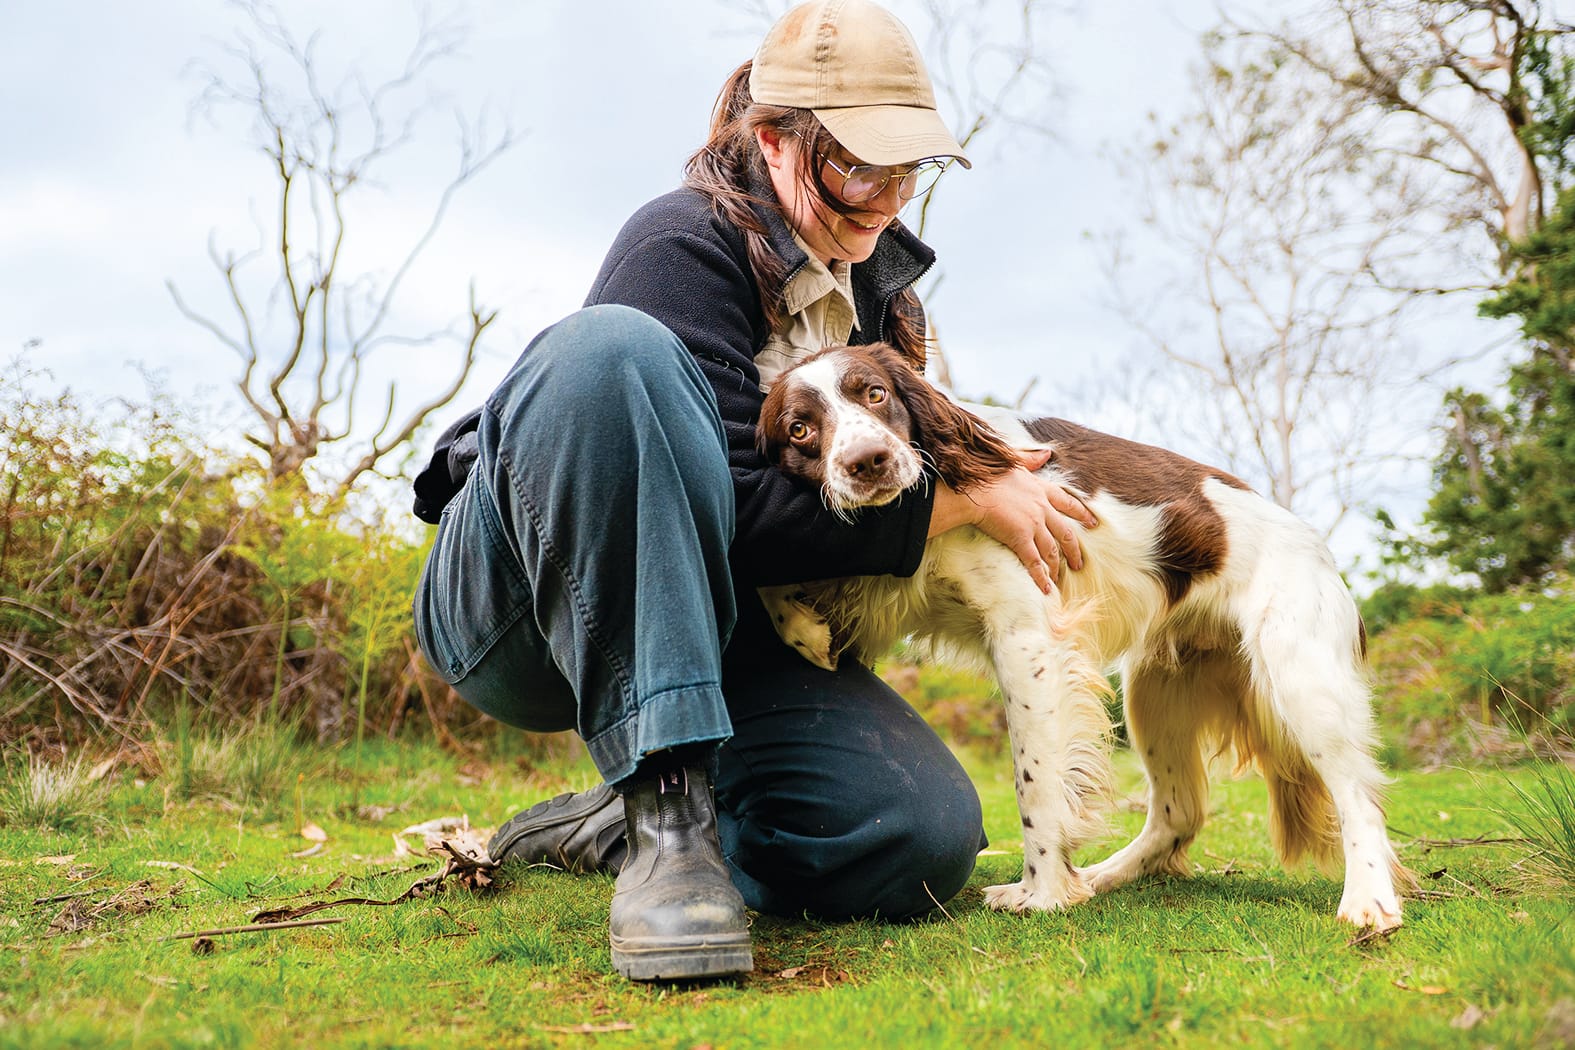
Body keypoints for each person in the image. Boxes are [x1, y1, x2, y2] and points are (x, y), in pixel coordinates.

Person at [410, 0, 1094, 982]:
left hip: (719, 616)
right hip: (523, 600)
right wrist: (969, 499)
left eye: (907, 170)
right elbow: (735, 505)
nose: (885, 200)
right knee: (610, 351)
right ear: (773, 140)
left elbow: (826, 515)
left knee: (919, 838)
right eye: (856, 167)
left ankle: (612, 820)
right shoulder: (679, 241)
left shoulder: (883, 298)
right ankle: (666, 823)